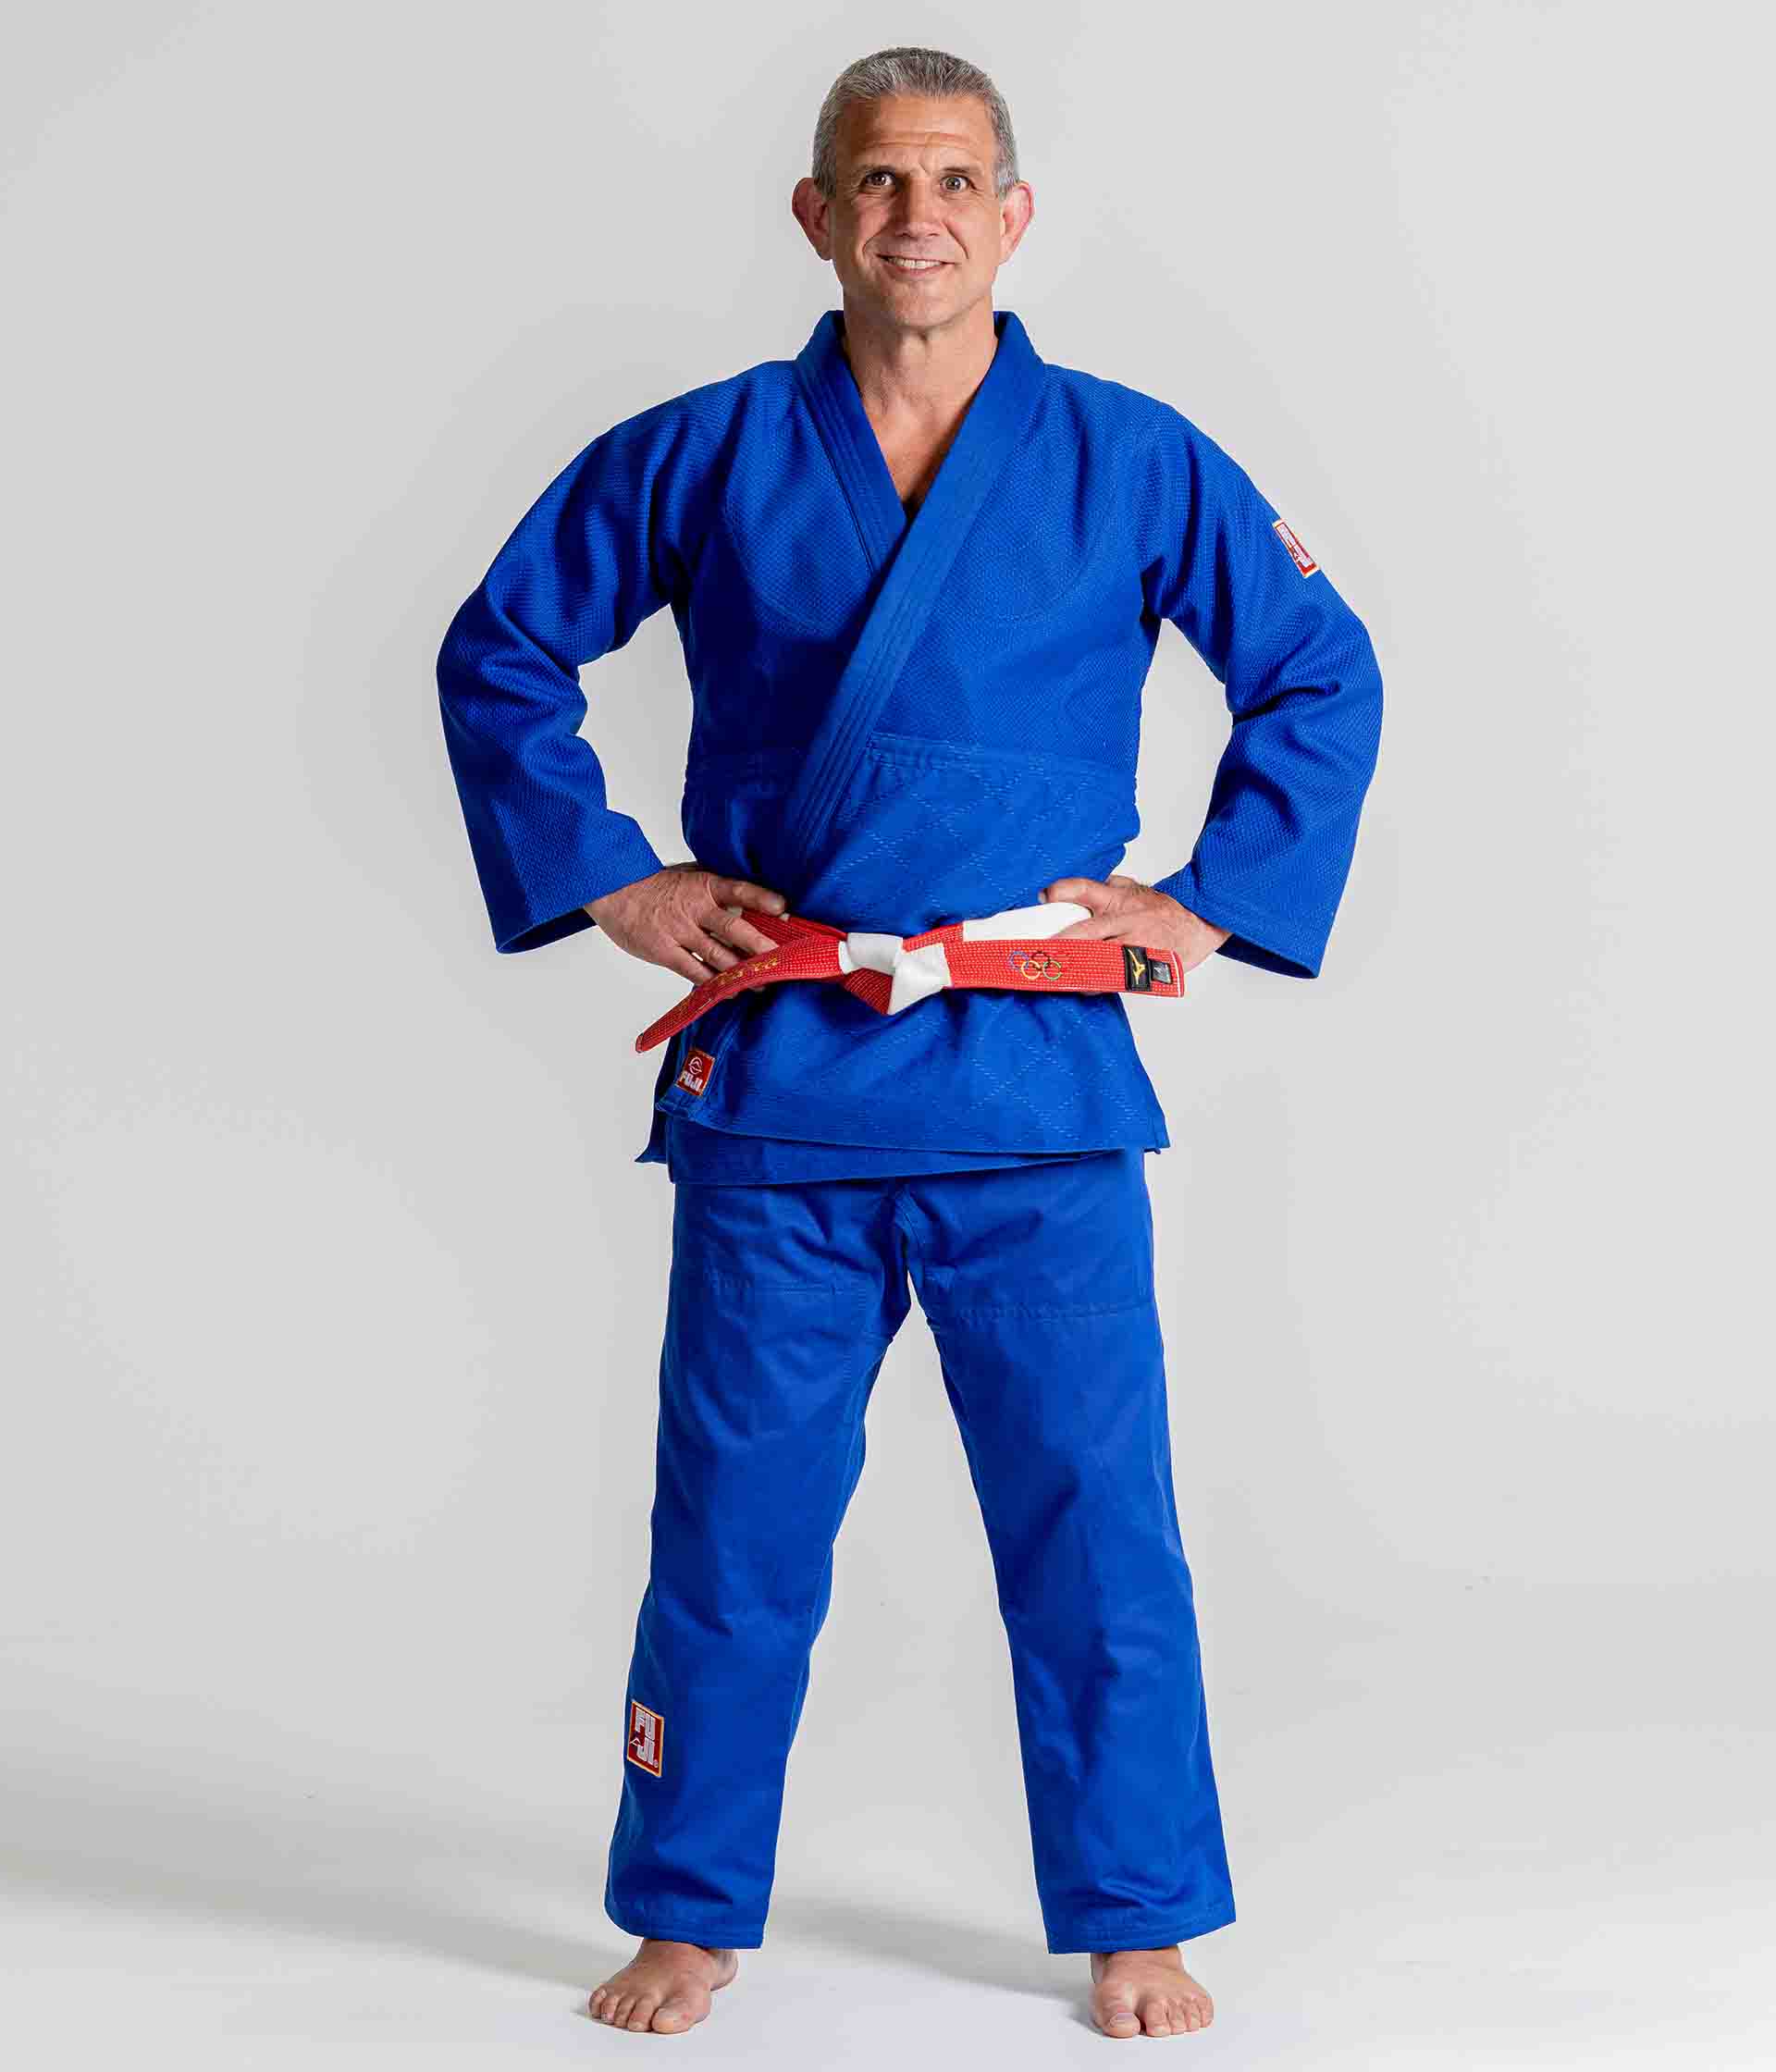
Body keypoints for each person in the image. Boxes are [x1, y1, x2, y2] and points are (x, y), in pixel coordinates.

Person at [435, 44, 1384, 2041]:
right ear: (818, 215)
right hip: (786, 1082)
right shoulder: (700, 453)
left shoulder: (1128, 457)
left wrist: (1206, 901)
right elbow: (503, 644)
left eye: (956, 178)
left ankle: (1137, 1909)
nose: (918, 214)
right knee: (734, 1526)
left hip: (1032, 1084)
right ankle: (691, 1903)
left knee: (1095, 1526)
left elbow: (1316, 667)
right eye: (878, 180)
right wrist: (615, 878)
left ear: (1014, 215)